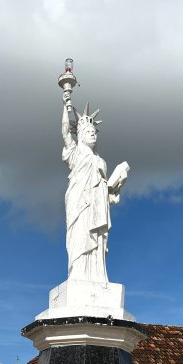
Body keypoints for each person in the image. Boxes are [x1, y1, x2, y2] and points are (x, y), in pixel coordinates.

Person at [61, 98, 129, 285]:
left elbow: (102, 187)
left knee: (97, 240)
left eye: (94, 132)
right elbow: (66, 133)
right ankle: (77, 274)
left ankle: (97, 277)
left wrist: (115, 184)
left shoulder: (100, 160)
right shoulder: (75, 154)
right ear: (80, 134)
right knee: (80, 236)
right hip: (79, 201)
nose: (93, 135)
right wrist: (66, 107)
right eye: (88, 132)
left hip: (96, 205)